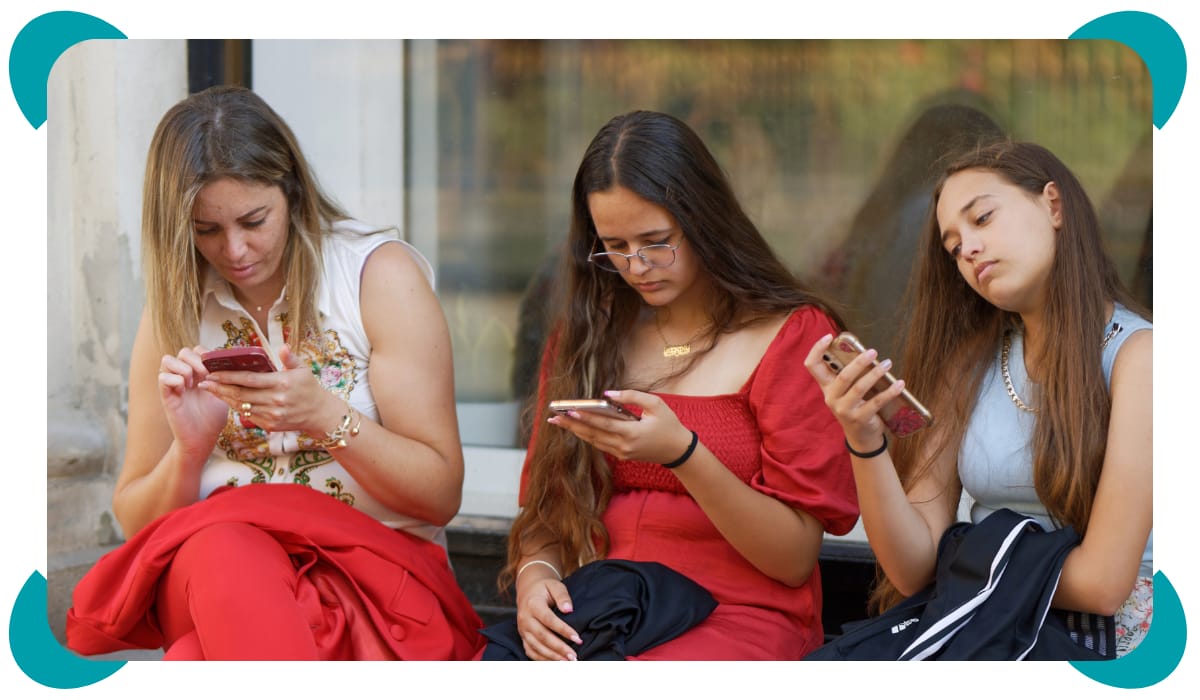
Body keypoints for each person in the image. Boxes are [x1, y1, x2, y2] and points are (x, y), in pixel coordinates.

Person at [65, 85, 483, 660]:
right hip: (218, 570)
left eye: (253, 220)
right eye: (206, 230)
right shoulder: (175, 308)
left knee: (199, 656)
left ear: (292, 191)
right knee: (225, 553)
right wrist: (189, 450)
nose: (235, 250)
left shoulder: (375, 278)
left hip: (373, 571)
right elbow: (139, 525)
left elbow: (439, 496)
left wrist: (325, 417)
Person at [502, 110, 859, 661]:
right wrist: (536, 579)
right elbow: (546, 511)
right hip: (607, 609)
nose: (637, 266)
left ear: (703, 219)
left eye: (656, 241)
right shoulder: (589, 332)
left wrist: (683, 454)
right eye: (615, 245)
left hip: (738, 615)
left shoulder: (792, 334)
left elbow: (792, 559)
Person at [804, 140, 1152, 657]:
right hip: (985, 626)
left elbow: (1102, 584)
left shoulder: (1140, 357)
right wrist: (864, 438)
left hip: (1100, 645)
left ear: (1053, 205)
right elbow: (913, 567)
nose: (967, 249)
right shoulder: (970, 363)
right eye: (952, 247)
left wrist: (967, 557)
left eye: (983, 218)